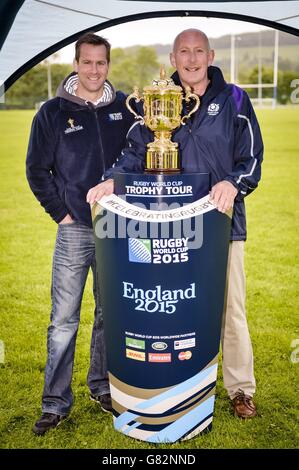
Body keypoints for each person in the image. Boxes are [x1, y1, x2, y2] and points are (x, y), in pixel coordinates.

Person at [87, 29, 263, 419]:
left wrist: (232, 184)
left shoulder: (235, 99)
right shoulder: (159, 101)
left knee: (230, 308)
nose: (192, 58)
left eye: (199, 51)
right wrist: (111, 181)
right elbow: (133, 154)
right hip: (165, 229)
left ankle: (239, 389)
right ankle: (176, 383)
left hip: (221, 225)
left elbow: (251, 159)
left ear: (211, 55)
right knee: (173, 309)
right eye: (184, 51)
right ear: (173, 59)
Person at [26, 32, 134, 435]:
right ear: (76, 63)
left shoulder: (127, 108)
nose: (94, 70)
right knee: (64, 320)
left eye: (101, 63)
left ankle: (101, 385)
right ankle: (55, 402)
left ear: (108, 64)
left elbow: (139, 155)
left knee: (109, 314)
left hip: (117, 228)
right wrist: (63, 215)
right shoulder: (52, 113)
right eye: (86, 62)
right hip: (75, 232)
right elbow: (37, 170)